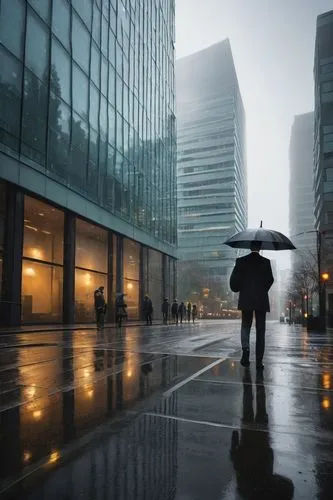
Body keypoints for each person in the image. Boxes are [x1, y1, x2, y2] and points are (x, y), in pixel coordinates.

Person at [230, 370, 294, 499]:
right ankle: (252, 381)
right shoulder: (246, 489)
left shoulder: (254, 488)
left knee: (258, 404)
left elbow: (238, 462)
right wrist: (234, 441)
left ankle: (256, 381)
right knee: (249, 403)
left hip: (258, 440)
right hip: (251, 439)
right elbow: (236, 462)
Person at [229, 240, 274, 370]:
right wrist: (262, 289)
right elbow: (270, 280)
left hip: (246, 298)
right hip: (261, 300)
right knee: (261, 330)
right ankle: (259, 361)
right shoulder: (266, 262)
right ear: (260, 248)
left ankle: (246, 350)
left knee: (245, 326)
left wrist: (243, 287)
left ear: (250, 247)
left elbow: (235, 281)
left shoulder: (241, 261)